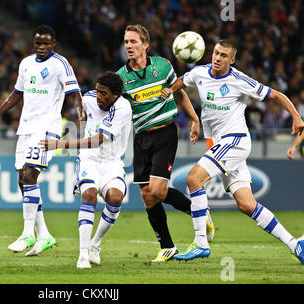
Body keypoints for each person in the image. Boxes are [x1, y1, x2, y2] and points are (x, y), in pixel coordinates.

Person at [162, 39, 304, 264]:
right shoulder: (200, 73)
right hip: (221, 145)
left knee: (193, 179)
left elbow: (276, 95)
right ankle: (295, 245)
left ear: (232, 59)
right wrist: (170, 93)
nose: (218, 58)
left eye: (224, 55)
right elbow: (182, 81)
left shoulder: (239, 80)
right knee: (247, 205)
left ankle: (200, 243)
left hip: (235, 141)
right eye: (216, 53)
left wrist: (296, 116)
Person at [115, 24, 214, 262]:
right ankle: (167, 246)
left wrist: (194, 119)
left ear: (145, 45)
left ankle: (199, 213)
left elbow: (178, 92)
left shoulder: (162, 65)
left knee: (158, 190)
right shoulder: (121, 77)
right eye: (126, 42)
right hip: (141, 138)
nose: (129, 46)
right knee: (148, 196)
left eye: (133, 41)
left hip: (165, 134)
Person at [0, 25, 85, 256]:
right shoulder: (26, 63)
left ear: (53, 44)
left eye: (46, 44)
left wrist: (81, 115)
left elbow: (74, 92)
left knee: (30, 174)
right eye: (38, 43)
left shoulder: (60, 64)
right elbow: (16, 93)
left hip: (47, 128)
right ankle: (45, 235)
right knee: (22, 179)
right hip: (26, 127)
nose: (41, 47)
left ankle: (27, 233)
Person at [40, 71, 132, 268]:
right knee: (89, 195)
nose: (99, 96)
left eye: (104, 93)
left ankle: (95, 244)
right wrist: (81, 112)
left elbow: (98, 140)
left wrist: (60, 144)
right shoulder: (90, 97)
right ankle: (82, 255)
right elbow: (78, 98)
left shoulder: (122, 108)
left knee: (115, 199)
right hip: (89, 160)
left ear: (115, 96)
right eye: (98, 91)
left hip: (112, 162)